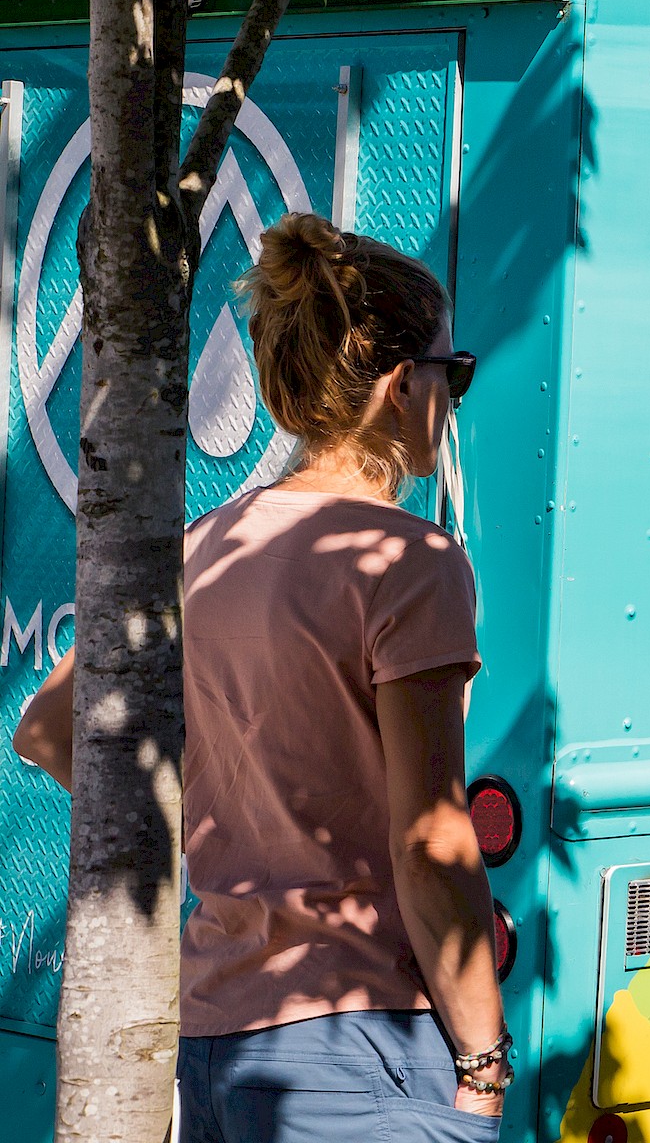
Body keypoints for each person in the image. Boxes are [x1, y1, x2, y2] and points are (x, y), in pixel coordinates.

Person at [13, 213, 506, 1142]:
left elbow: (45, 727)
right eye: (456, 375)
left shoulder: (207, 545)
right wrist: (483, 1062)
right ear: (402, 388)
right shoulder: (411, 561)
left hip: (219, 1032)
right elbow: (431, 841)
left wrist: (208, 821)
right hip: (365, 1043)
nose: (455, 400)